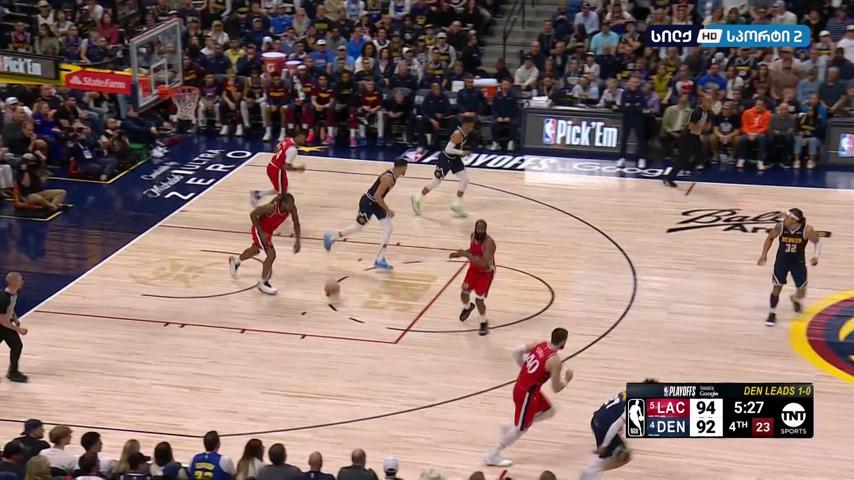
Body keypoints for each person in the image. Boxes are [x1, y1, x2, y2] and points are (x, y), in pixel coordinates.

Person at [484, 328, 573, 467]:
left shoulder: (539, 344)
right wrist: (567, 380)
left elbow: (516, 351)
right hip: (526, 393)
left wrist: (524, 367)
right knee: (521, 428)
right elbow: (556, 389)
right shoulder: (555, 361)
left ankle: (512, 427)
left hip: (526, 387)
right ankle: (493, 454)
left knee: (549, 411)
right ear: (563, 341)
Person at [324, 159, 408, 270]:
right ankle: (332, 237)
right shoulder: (388, 178)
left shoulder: (393, 175)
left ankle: (380, 259)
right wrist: (388, 210)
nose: (406, 170)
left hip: (376, 203)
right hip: (368, 202)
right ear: (401, 167)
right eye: (406, 167)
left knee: (388, 228)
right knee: (357, 227)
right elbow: (377, 196)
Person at [578, 379, 659, 480]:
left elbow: (614, 409)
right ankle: (589, 472)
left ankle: (590, 471)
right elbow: (615, 425)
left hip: (597, 420)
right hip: (604, 426)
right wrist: (604, 445)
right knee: (621, 455)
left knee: (616, 455)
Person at [757, 209, 821, 326]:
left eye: (787, 217)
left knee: (801, 292)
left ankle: (795, 299)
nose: (784, 219)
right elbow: (770, 238)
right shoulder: (780, 227)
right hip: (782, 262)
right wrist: (764, 255)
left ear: (794, 220)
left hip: (798, 263)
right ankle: (772, 313)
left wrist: (816, 257)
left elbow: (817, 242)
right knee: (777, 287)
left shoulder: (807, 230)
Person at [229, 193, 301, 296]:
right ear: (284, 203)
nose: (292, 206)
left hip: (268, 232)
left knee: (255, 250)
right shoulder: (271, 208)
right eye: (290, 204)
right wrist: (261, 232)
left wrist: (298, 240)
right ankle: (263, 283)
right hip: (259, 230)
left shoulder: (291, 209)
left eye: (293, 203)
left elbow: (296, 223)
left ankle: (236, 261)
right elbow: (253, 214)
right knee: (271, 255)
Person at [411, 117, 474, 217]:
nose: (472, 128)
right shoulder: (457, 134)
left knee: (464, 180)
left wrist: (460, 153)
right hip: (446, 159)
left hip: (455, 158)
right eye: (470, 126)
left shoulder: (465, 133)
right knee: (436, 181)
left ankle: (457, 204)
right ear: (465, 124)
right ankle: (417, 197)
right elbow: (448, 150)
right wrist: (462, 152)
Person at [449, 220, 495, 336]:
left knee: (479, 300)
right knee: (464, 294)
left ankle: (484, 322)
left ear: (485, 230)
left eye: (482, 229)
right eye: (478, 228)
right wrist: (459, 254)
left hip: (485, 273)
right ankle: (468, 308)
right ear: (475, 228)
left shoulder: (489, 243)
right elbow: (473, 250)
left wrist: (466, 255)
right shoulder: (472, 236)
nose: (480, 231)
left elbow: (484, 262)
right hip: (473, 270)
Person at [663, 92, 711, 188]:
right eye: (708, 101)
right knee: (682, 158)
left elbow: (707, 127)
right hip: (687, 137)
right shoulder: (697, 111)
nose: (710, 103)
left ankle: (689, 167)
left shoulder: (707, 112)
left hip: (695, 136)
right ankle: (668, 178)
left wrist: (704, 127)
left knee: (702, 155)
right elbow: (691, 126)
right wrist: (702, 127)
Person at [250, 137, 305, 207]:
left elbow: (276, 148)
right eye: (303, 137)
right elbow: (286, 167)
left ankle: (258, 194)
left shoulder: (286, 139)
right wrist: (298, 169)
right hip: (277, 170)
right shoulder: (292, 150)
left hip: (272, 165)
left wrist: (280, 158)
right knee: (282, 193)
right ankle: (266, 209)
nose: (305, 140)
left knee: (280, 189)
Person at [1, 272, 28, 383]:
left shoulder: (13, 294)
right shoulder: (3, 298)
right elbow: (2, 321)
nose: (22, 282)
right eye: (20, 280)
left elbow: (10, 309)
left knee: (17, 346)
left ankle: (13, 372)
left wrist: (15, 318)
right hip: (2, 325)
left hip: (6, 325)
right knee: (17, 346)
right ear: (14, 282)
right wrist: (19, 330)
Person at [616, 76, 646, 168]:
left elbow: (641, 107)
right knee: (624, 139)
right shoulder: (624, 93)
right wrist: (634, 105)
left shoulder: (641, 93)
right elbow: (623, 106)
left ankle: (641, 158)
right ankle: (622, 158)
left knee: (640, 139)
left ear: (639, 83)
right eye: (632, 82)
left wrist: (630, 105)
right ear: (628, 83)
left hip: (638, 118)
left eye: (636, 82)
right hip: (627, 118)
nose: (634, 84)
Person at [736, 98, 772, 171]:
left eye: (761, 105)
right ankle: (741, 159)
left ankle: (760, 161)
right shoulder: (747, 112)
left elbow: (765, 127)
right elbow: (744, 125)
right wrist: (749, 133)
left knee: (762, 138)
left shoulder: (768, 114)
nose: (758, 106)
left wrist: (756, 133)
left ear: (764, 106)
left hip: (759, 133)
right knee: (742, 139)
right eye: (757, 104)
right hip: (748, 132)